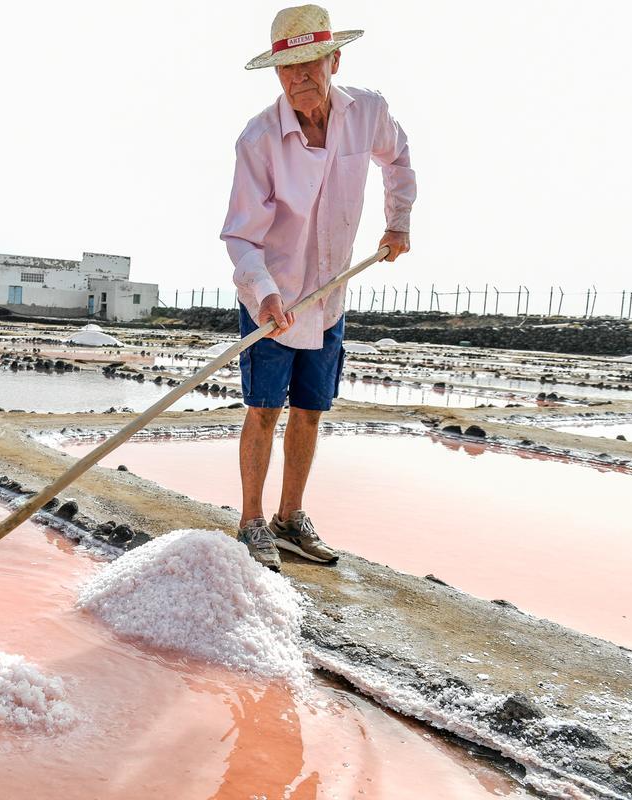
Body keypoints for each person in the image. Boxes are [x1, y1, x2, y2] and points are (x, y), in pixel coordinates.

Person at [221, 4, 416, 571]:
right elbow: (239, 236)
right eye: (289, 68)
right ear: (276, 73)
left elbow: (399, 160)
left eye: (311, 63)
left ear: (335, 58)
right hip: (274, 300)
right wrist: (265, 293)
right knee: (263, 409)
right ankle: (252, 523)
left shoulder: (368, 112)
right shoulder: (258, 139)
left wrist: (397, 220)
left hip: (329, 297)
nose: (300, 77)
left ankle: (290, 518)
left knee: (309, 410)